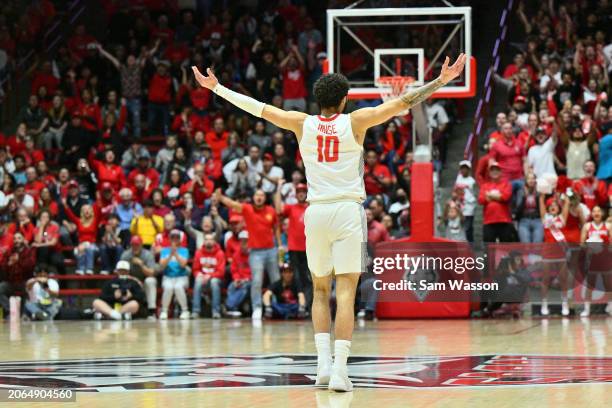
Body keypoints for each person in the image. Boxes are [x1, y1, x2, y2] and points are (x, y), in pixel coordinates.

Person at [192, 52, 466, 391]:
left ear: (317, 100)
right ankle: (339, 370)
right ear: (344, 99)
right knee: (346, 291)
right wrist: (440, 81)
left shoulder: (300, 122)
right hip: (347, 212)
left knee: (320, 290)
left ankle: (322, 366)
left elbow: (259, 108)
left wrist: (217, 88)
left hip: (316, 212)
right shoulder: (356, 121)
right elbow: (404, 101)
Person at [215, 188, 281, 321]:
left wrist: (279, 245)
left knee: (276, 280)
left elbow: (276, 228)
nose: (259, 197)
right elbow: (233, 204)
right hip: (255, 252)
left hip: (271, 250)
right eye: (257, 195)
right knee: (256, 281)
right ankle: (257, 308)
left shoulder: (271, 211)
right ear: (253, 197)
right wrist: (221, 197)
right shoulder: (247, 209)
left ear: (264, 198)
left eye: (262, 195)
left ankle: (275, 306)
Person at [275, 180, 311, 309]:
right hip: (294, 249)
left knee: (309, 279)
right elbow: (278, 209)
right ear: (296, 195)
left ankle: (307, 306)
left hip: (309, 250)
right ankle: (300, 306)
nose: (301, 194)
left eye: (303, 192)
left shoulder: (312, 208)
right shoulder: (292, 208)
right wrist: (279, 188)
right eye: (299, 192)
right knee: (297, 278)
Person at [538, 194, 571, 317]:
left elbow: (567, 204)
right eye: (550, 205)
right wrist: (543, 193)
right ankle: (544, 303)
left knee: (563, 279)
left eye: (555, 205)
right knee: (546, 279)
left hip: (560, 252)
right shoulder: (545, 218)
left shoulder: (562, 219)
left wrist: (565, 197)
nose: (553, 207)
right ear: (547, 208)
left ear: (558, 208)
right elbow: (541, 201)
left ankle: (565, 303)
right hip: (547, 252)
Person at [579, 205, 612, 317]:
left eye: (599, 211)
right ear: (591, 214)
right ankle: (586, 309)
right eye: (594, 211)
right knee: (590, 285)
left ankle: (610, 306)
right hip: (592, 260)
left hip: (605, 259)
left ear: (602, 213)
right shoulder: (587, 226)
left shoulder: (608, 226)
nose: (596, 213)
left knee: (608, 284)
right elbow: (581, 244)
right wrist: (589, 246)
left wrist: (604, 246)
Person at [120, 235, 158, 319]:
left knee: (150, 281)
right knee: (121, 282)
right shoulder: (126, 255)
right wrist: (134, 280)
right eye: (133, 245)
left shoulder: (148, 255)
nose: (135, 247)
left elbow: (151, 273)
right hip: (130, 282)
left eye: (137, 245)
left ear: (141, 245)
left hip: (144, 282)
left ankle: (151, 311)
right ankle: (123, 310)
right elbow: (121, 274)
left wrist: (141, 264)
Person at [191, 233, 226, 319]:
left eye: (211, 239)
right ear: (204, 241)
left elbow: (221, 272)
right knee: (197, 281)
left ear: (214, 241)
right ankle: (196, 311)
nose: (208, 241)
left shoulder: (220, 253)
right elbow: (195, 269)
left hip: (216, 279)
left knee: (214, 282)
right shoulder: (199, 253)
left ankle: (216, 311)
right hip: (202, 278)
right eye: (206, 239)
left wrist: (209, 276)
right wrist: (199, 274)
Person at [158, 229, 190, 320]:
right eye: (173, 237)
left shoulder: (184, 250)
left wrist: (175, 253)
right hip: (167, 276)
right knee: (168, 287)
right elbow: (162, 265)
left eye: (177, 237)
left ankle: (185, 311)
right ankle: (164, 311)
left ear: (180, 239)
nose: (175, 239)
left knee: (178, 287)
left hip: (181, 277)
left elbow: (183, 264)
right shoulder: (164, 251)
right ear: (169, 239)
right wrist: (169, 255)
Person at [225, 230, 251, 317]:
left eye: (246, 241)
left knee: (244, 287)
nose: (244, 244)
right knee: (231, 286)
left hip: (250, 280)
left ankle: (230, 307)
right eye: (242, 241)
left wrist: (246, 279)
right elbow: (234, 269)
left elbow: (257, 272)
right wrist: (236, 279)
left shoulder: (254, 255)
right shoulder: (236, 254)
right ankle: (233, 310)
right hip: (239, 279)